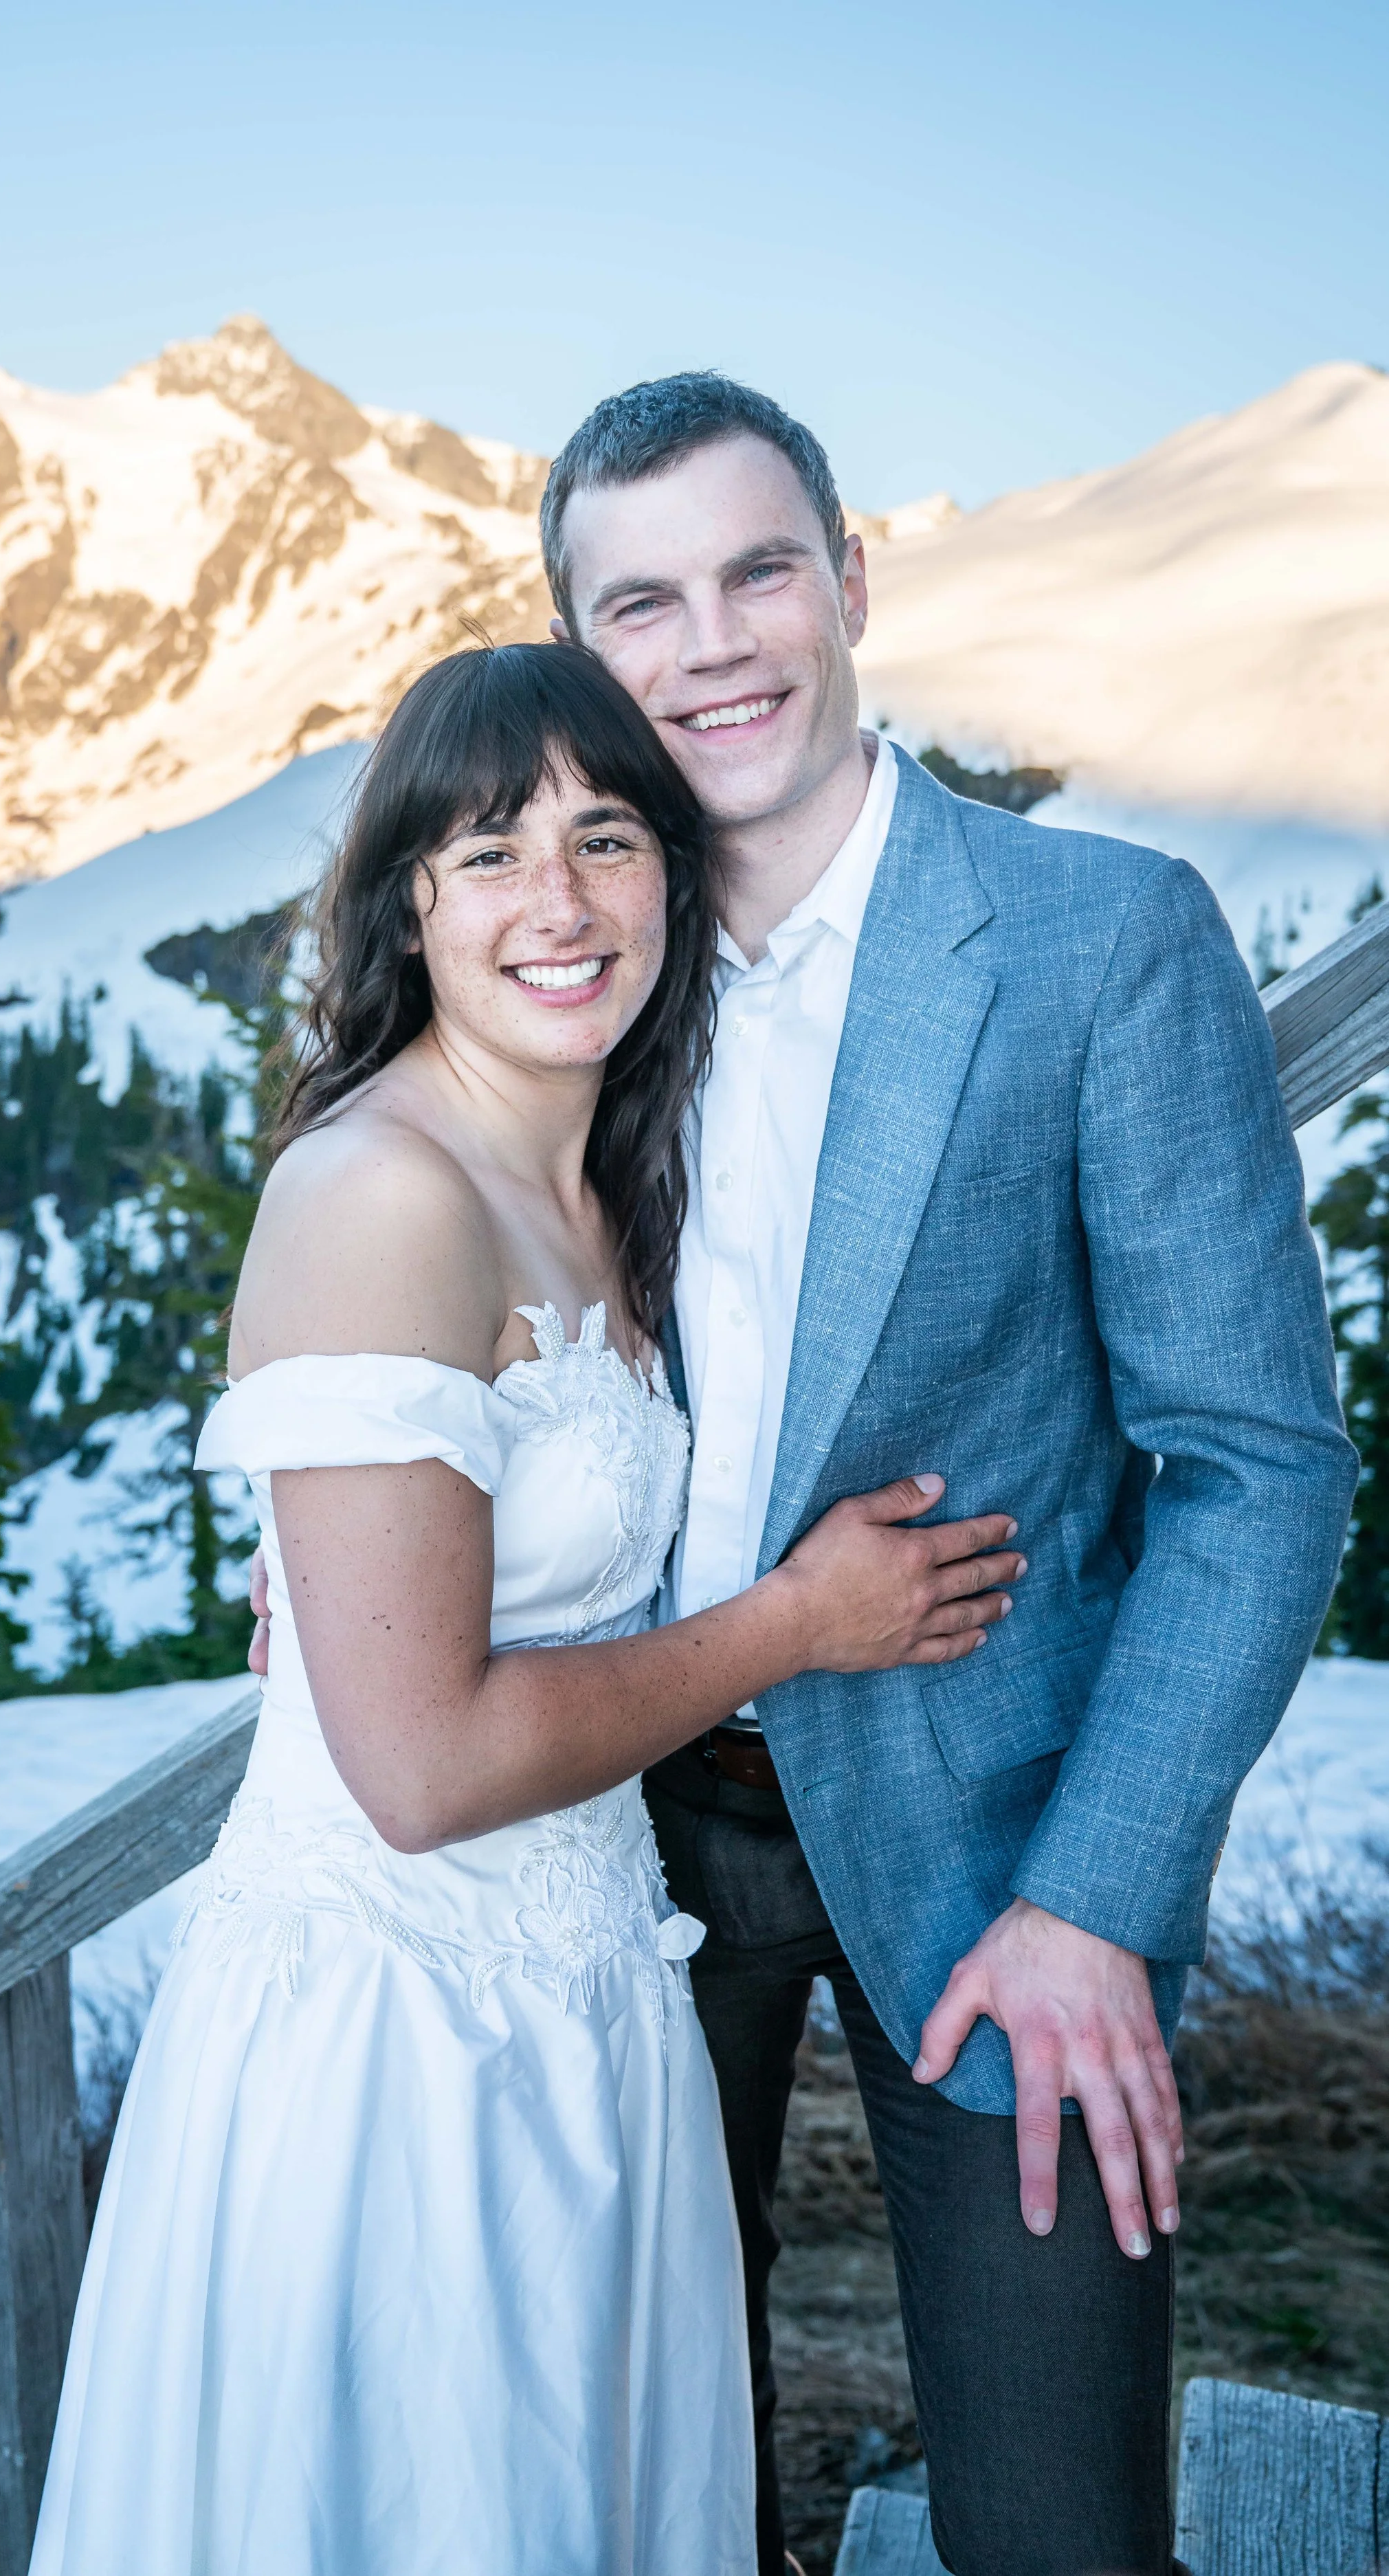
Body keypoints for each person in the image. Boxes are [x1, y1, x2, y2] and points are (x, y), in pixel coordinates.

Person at [27, 643, 1021, 2576]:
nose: (555, 901)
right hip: (396, 2045)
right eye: (488, 852)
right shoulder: (383, 1190)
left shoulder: (585, 1176)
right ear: (408, 896)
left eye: (604, 837)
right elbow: (417, 1763)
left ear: (675, 867)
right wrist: (800, 1622)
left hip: (580, 2002)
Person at [534, 374, 1357, 2576]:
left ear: (847, 579)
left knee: (1056, 2534)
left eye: (753, 571)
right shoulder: (568, 958)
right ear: (579, 655)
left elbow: (1257, 1466)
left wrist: (1100, 1887)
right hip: (614, 1848)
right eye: (641, 604)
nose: (708, 644)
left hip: (1011, 1844)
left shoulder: (1100, 941)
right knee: (629, 2509)